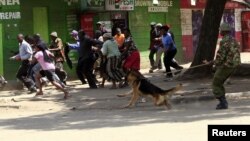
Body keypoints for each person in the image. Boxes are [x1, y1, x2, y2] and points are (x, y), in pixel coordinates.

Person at [211, 23, 241, 110]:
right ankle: (223, 101)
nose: (220, 31)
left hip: (227, 65)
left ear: (223, 31)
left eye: (221, 30)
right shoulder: (233, 39)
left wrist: (214, 63)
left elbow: (221, 56)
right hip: (235, 64)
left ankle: (223, 103)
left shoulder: (224, 41)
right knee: (219, 81)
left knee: (216, 82)